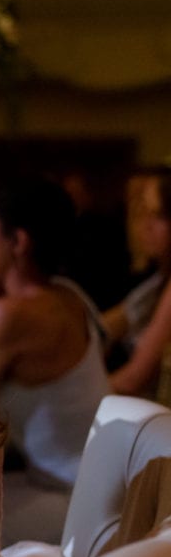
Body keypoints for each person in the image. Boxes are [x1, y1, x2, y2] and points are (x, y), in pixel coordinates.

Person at [0, 173, 111, 546]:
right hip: (86, 481)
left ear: (18, 241)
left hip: (78, 498)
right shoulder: (68, 294)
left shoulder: (16, 315)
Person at [102, 166, 171, 398]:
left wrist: (75, 396)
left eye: (158, 215)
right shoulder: (158, 280)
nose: (145, 225)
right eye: (140, 212)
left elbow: (134, 379)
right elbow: (101, 330)